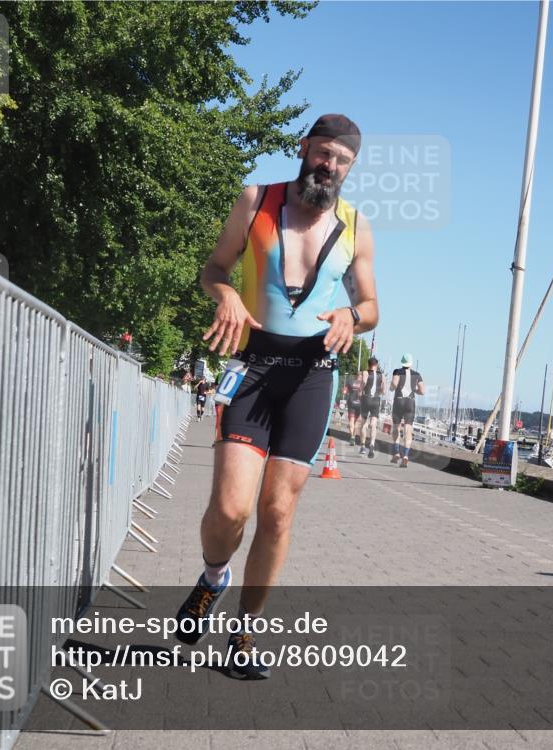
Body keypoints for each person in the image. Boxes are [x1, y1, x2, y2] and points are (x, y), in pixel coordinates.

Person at [179, 114, 378, 677]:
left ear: (351, 167)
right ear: (304, 148)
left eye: (341, 160)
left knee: (277, 513)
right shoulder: (256, 200)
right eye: (323, 153)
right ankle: (213, 577)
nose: (329, 166)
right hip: (253, 364)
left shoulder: (356, 226)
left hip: (312, 375)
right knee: (230, 508)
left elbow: (371, 306)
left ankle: (243, 634)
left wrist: (352, 315)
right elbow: (214, 268)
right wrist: (225, 295)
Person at [389, 353, 424, 468]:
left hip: (398, 401)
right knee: (408, 429)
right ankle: (406, 455)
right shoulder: (417, 374)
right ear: (411, 363)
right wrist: (414, 390)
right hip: (410, 402)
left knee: (396, 427)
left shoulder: (397, 371)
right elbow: (422, 391)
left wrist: (391, 387)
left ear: (402, 362)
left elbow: (394, 384)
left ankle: (396, 452)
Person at [358, 356, 385, 458]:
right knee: (374, 424)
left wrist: (360, 391)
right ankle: (372, 444)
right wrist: (379, 392)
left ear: (368, 364)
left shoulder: (365, 372)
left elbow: (364, 382)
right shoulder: (381, 375)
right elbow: (383, 390)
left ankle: (362, 446)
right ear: (376, 365)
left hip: (366, 398)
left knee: (363, 423)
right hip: (376, 400)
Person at [345, 372, 363, 445]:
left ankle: (352, 436)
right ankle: (354, 436)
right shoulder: (363, 384)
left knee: (351, 421)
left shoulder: (350, 382)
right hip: (360, 404)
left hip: (351, 403)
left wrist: (348, 394)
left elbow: (344, 391)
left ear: (356, 376)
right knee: (357, 422)